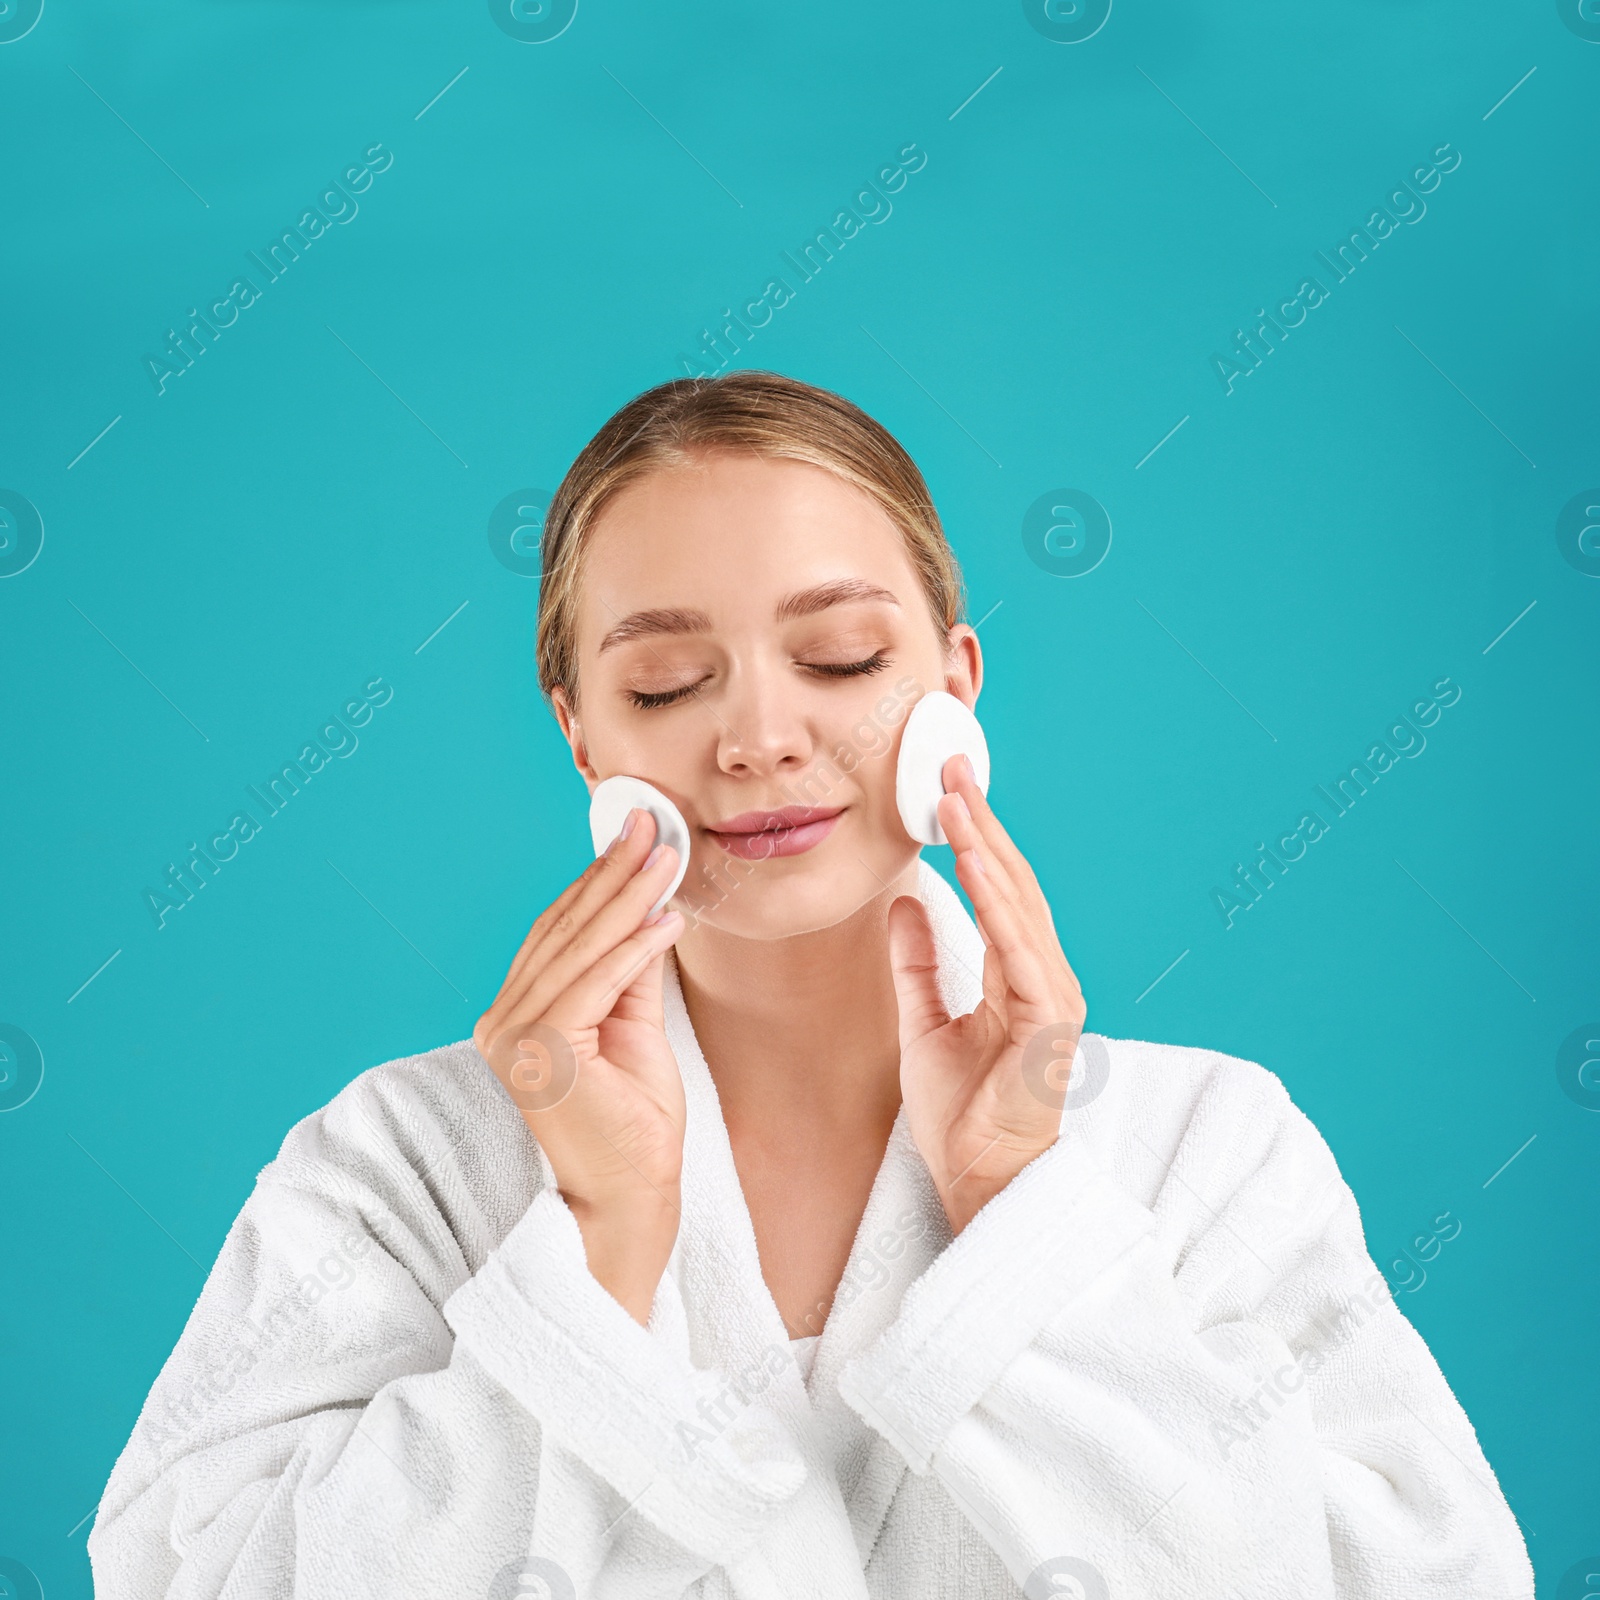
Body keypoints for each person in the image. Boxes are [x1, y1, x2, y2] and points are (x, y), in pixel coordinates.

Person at [89, 371, 1534, 1598]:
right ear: (583, 737)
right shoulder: (398, 1166)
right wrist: (596, 1251)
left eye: (841, 656)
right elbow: (184, 1569)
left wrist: (1026, 1219)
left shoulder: (1205, 1152)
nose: (760, 736)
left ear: (955, 684)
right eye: (664, 686)